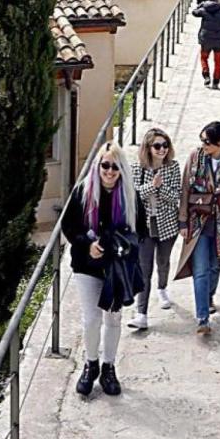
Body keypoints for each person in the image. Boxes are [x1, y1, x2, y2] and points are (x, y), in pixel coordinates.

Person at [61, 142, 145, 397]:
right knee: (91, 319)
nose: (109, 171)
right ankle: (91, 364)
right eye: (105, 165)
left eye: (115, 166)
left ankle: (108, 367)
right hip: (87, 265)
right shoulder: (82, 193)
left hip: (116, 268)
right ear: (98, 166)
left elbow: (140, 231)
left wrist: (121, 245)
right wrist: (88, 245)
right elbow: (69, 227)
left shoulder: (131, 196)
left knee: (113, 318)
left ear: (122, 170)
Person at [175, 121, 220, 335]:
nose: (203, 145)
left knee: (217, 265)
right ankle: (202, 318)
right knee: (200, 269)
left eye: (207, 142)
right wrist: (182, 221)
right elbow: (185, 190)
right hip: (198, 222)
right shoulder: (195, 158)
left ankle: (208, 297)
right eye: (202, 141)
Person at [128, 128, 182, 330]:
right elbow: (133, 195)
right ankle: (141, 313)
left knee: (163, 261)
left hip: (167, 224)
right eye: (157, 146)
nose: (162, 149)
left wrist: (160, 187)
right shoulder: (137, 168)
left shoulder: (173, 167)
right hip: (145, 227)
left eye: (165, 145)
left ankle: (162, 287)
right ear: (148, 148)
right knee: (144, 269)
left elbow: (175, 196)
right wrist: (152, 185)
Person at [192, 0, 220, 89]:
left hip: (206, 39)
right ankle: (216, 81)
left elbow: (194, 12)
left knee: (204, 58)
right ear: (217, 0)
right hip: (219, 40)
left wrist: (200, 4)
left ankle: (206, 75)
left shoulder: (204, 9)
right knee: (218, 61)